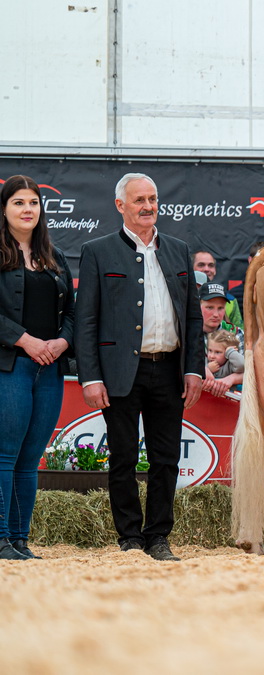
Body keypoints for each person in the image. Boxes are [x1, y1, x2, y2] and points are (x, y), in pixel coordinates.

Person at [75, 173, 204, 562]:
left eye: (152, 198)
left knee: (166, 459)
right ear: (121, 206)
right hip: (118, 374)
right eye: (139, 200)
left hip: (168, 369)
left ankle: (158, 536)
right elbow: (86, 321)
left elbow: (193, 317)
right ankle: (129, 538)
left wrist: (194, 368)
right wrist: (91, 377)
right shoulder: (97, 251)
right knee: (124, 457)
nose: (148, 206)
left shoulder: (179, 249)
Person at [0, 176, 74, 561]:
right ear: (4, 209)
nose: (27, 209)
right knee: (5, 455)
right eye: (18, 202)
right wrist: (25, 340)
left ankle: (19, 540)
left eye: (33, 202)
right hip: (11, 366)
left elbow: (75, 313)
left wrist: (62, 341)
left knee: (31, 459)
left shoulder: (55, 256)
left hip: (51, 369)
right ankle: (1, 539)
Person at [199, 282, 243, 398]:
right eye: (209, 307)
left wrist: (231, 379)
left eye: (220, 308)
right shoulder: (186, 332)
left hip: (227, 399)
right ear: (197, 306)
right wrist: (200, 370)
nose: (216, 314)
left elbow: (253, 371)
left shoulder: (236, 333)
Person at [193, 250, 242, 329]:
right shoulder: (181, 299)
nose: (206, 269)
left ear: (215, 270)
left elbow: (238, 332)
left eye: (211, 265)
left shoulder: (230, 300)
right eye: (201, 265)